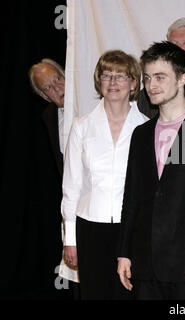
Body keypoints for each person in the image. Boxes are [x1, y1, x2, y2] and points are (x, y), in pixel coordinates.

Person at [117, 41, 185, 300]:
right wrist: (124, 252)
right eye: (147, 77)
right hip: (145, 263)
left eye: (160, 77)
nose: (151, 85)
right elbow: (131, 198)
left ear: (182, 78)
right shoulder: (141, 134)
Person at [61, 50, 149, 299]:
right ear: (99, 81)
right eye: (107, 75)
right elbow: (72, 186)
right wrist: (71, 238)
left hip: (131, 231)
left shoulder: (145, 128)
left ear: (134, 83)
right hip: (91, 229)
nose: (113, 82)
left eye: (121, 76)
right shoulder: (82, 127)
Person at [28, 59, 79, 299]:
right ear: (44, 96)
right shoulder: (49, 117)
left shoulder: (94, 105)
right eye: (48, 87)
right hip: (73, 207)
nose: (57, 88)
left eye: (57, 79)